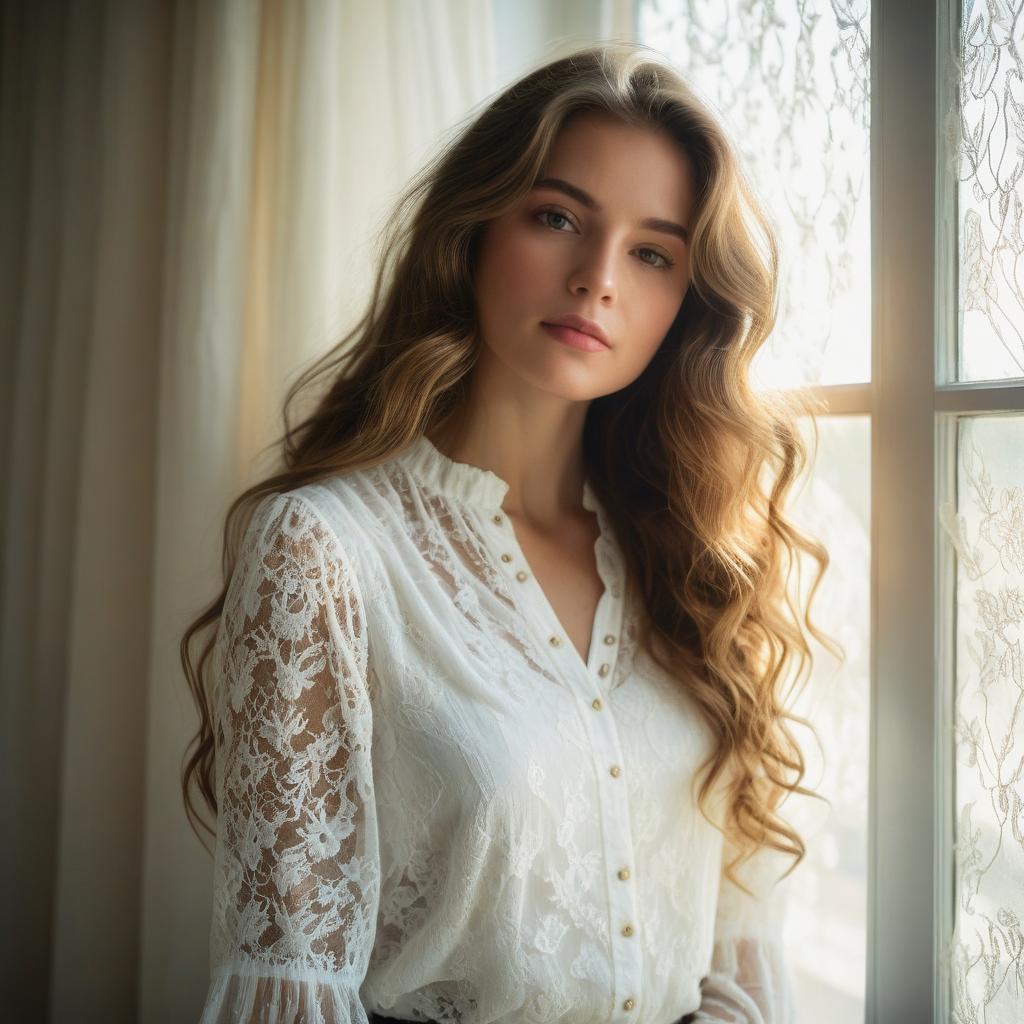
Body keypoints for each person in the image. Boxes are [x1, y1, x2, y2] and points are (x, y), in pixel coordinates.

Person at [181, 40, 840, 1024]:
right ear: (475, 231)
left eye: (652, 253)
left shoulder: (699, 560)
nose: (598, 279)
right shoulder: (323, 552)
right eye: (557, 218)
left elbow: (736, 949)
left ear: (685, 303)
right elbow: (292, 982)